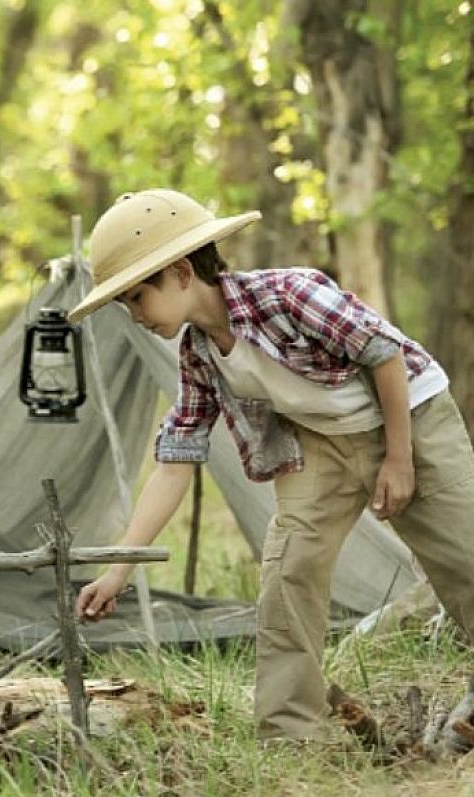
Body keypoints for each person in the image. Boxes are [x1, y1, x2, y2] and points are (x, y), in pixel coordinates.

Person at [71, 188, 474, 743]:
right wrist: (117, 571)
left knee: (463, 554)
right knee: (289, 573)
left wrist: (400, 459)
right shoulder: (198, 354)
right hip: (324, 443)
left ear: (183, 273)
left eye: (137, 297)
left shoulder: (289, 293)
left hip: (411, 417)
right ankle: (292, 729)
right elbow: (174, 463)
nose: (134, 314)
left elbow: (384, 354)